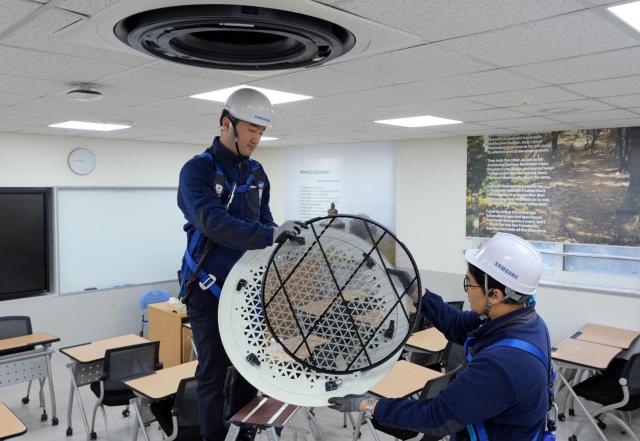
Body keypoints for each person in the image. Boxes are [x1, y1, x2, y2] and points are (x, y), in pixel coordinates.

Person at [329, 232, 554, 441]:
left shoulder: (502, 365)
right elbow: (457, 324)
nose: (467, 289)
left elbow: (435, 417)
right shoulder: (528, 323)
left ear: (495, 295)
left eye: (470, 283)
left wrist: (367, 405)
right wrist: (418, 293)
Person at [177, 88, 305, 441]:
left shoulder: (257, 172)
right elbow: (213, 222)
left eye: (262, 131)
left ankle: (244, 432)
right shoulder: (196, 171)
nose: (257, 138)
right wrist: (269, 235)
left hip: (246, 290)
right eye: (251, 129)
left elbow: (265, 220)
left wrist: (281, 236)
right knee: (213, 371)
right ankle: (213, 437)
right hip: (206, 291)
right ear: (226, 123)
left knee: (251, 366)